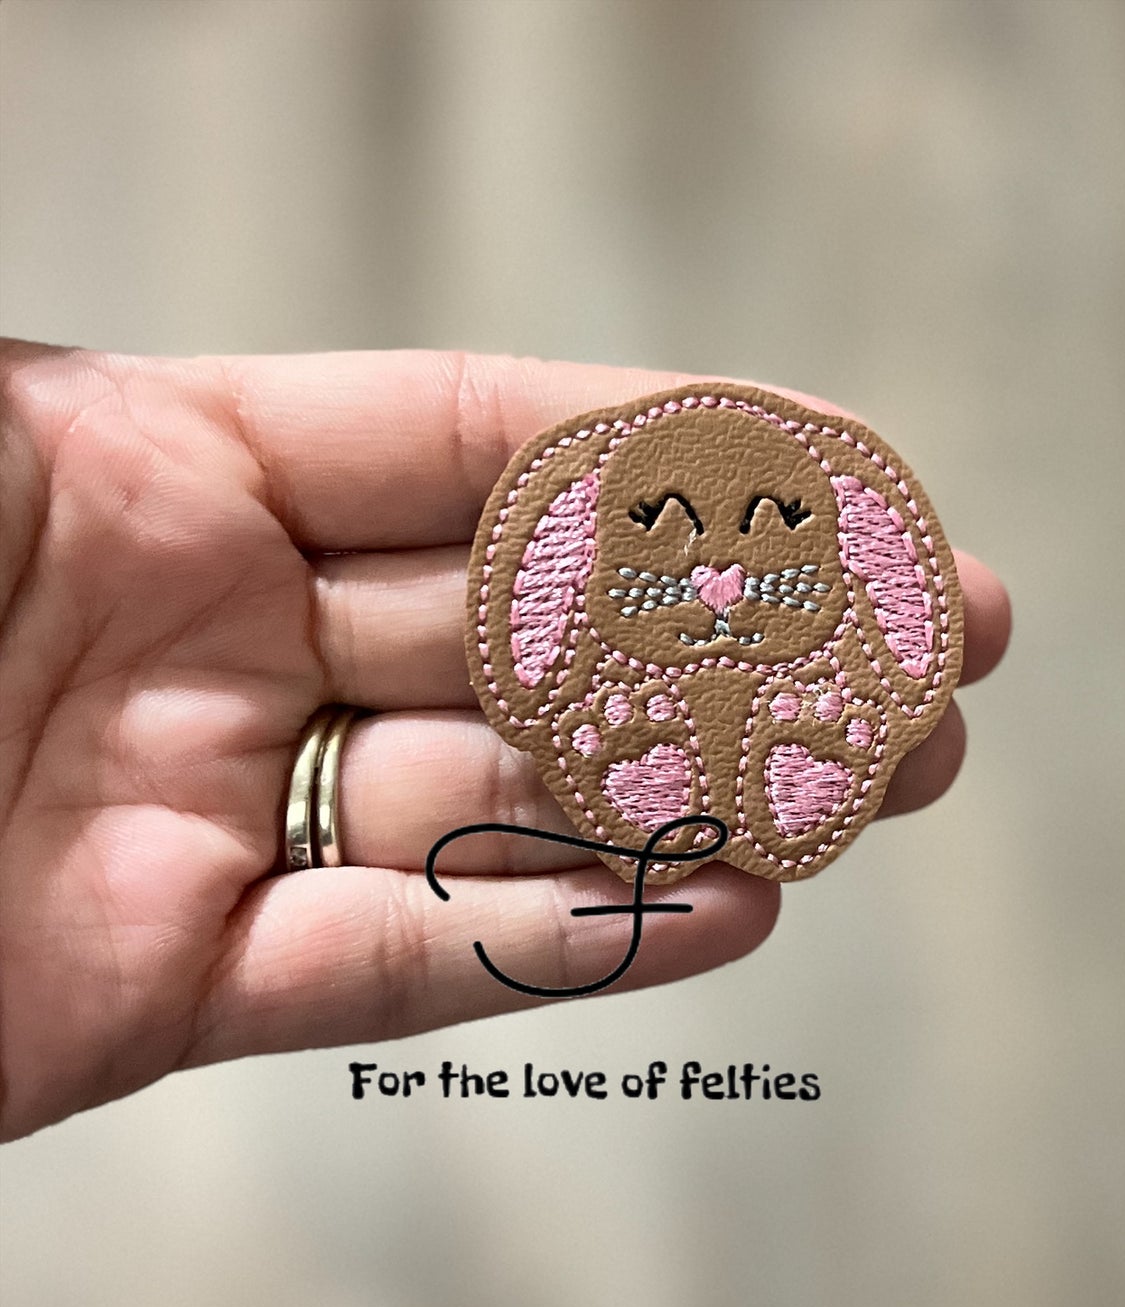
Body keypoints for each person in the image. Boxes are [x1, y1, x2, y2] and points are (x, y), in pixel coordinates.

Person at [0, 342, 1011, 1140]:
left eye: (772, 526)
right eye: (661, 525)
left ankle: (765, 757)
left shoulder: (852, 588)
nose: (719, 571)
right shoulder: (565, 578)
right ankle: (667, 758)